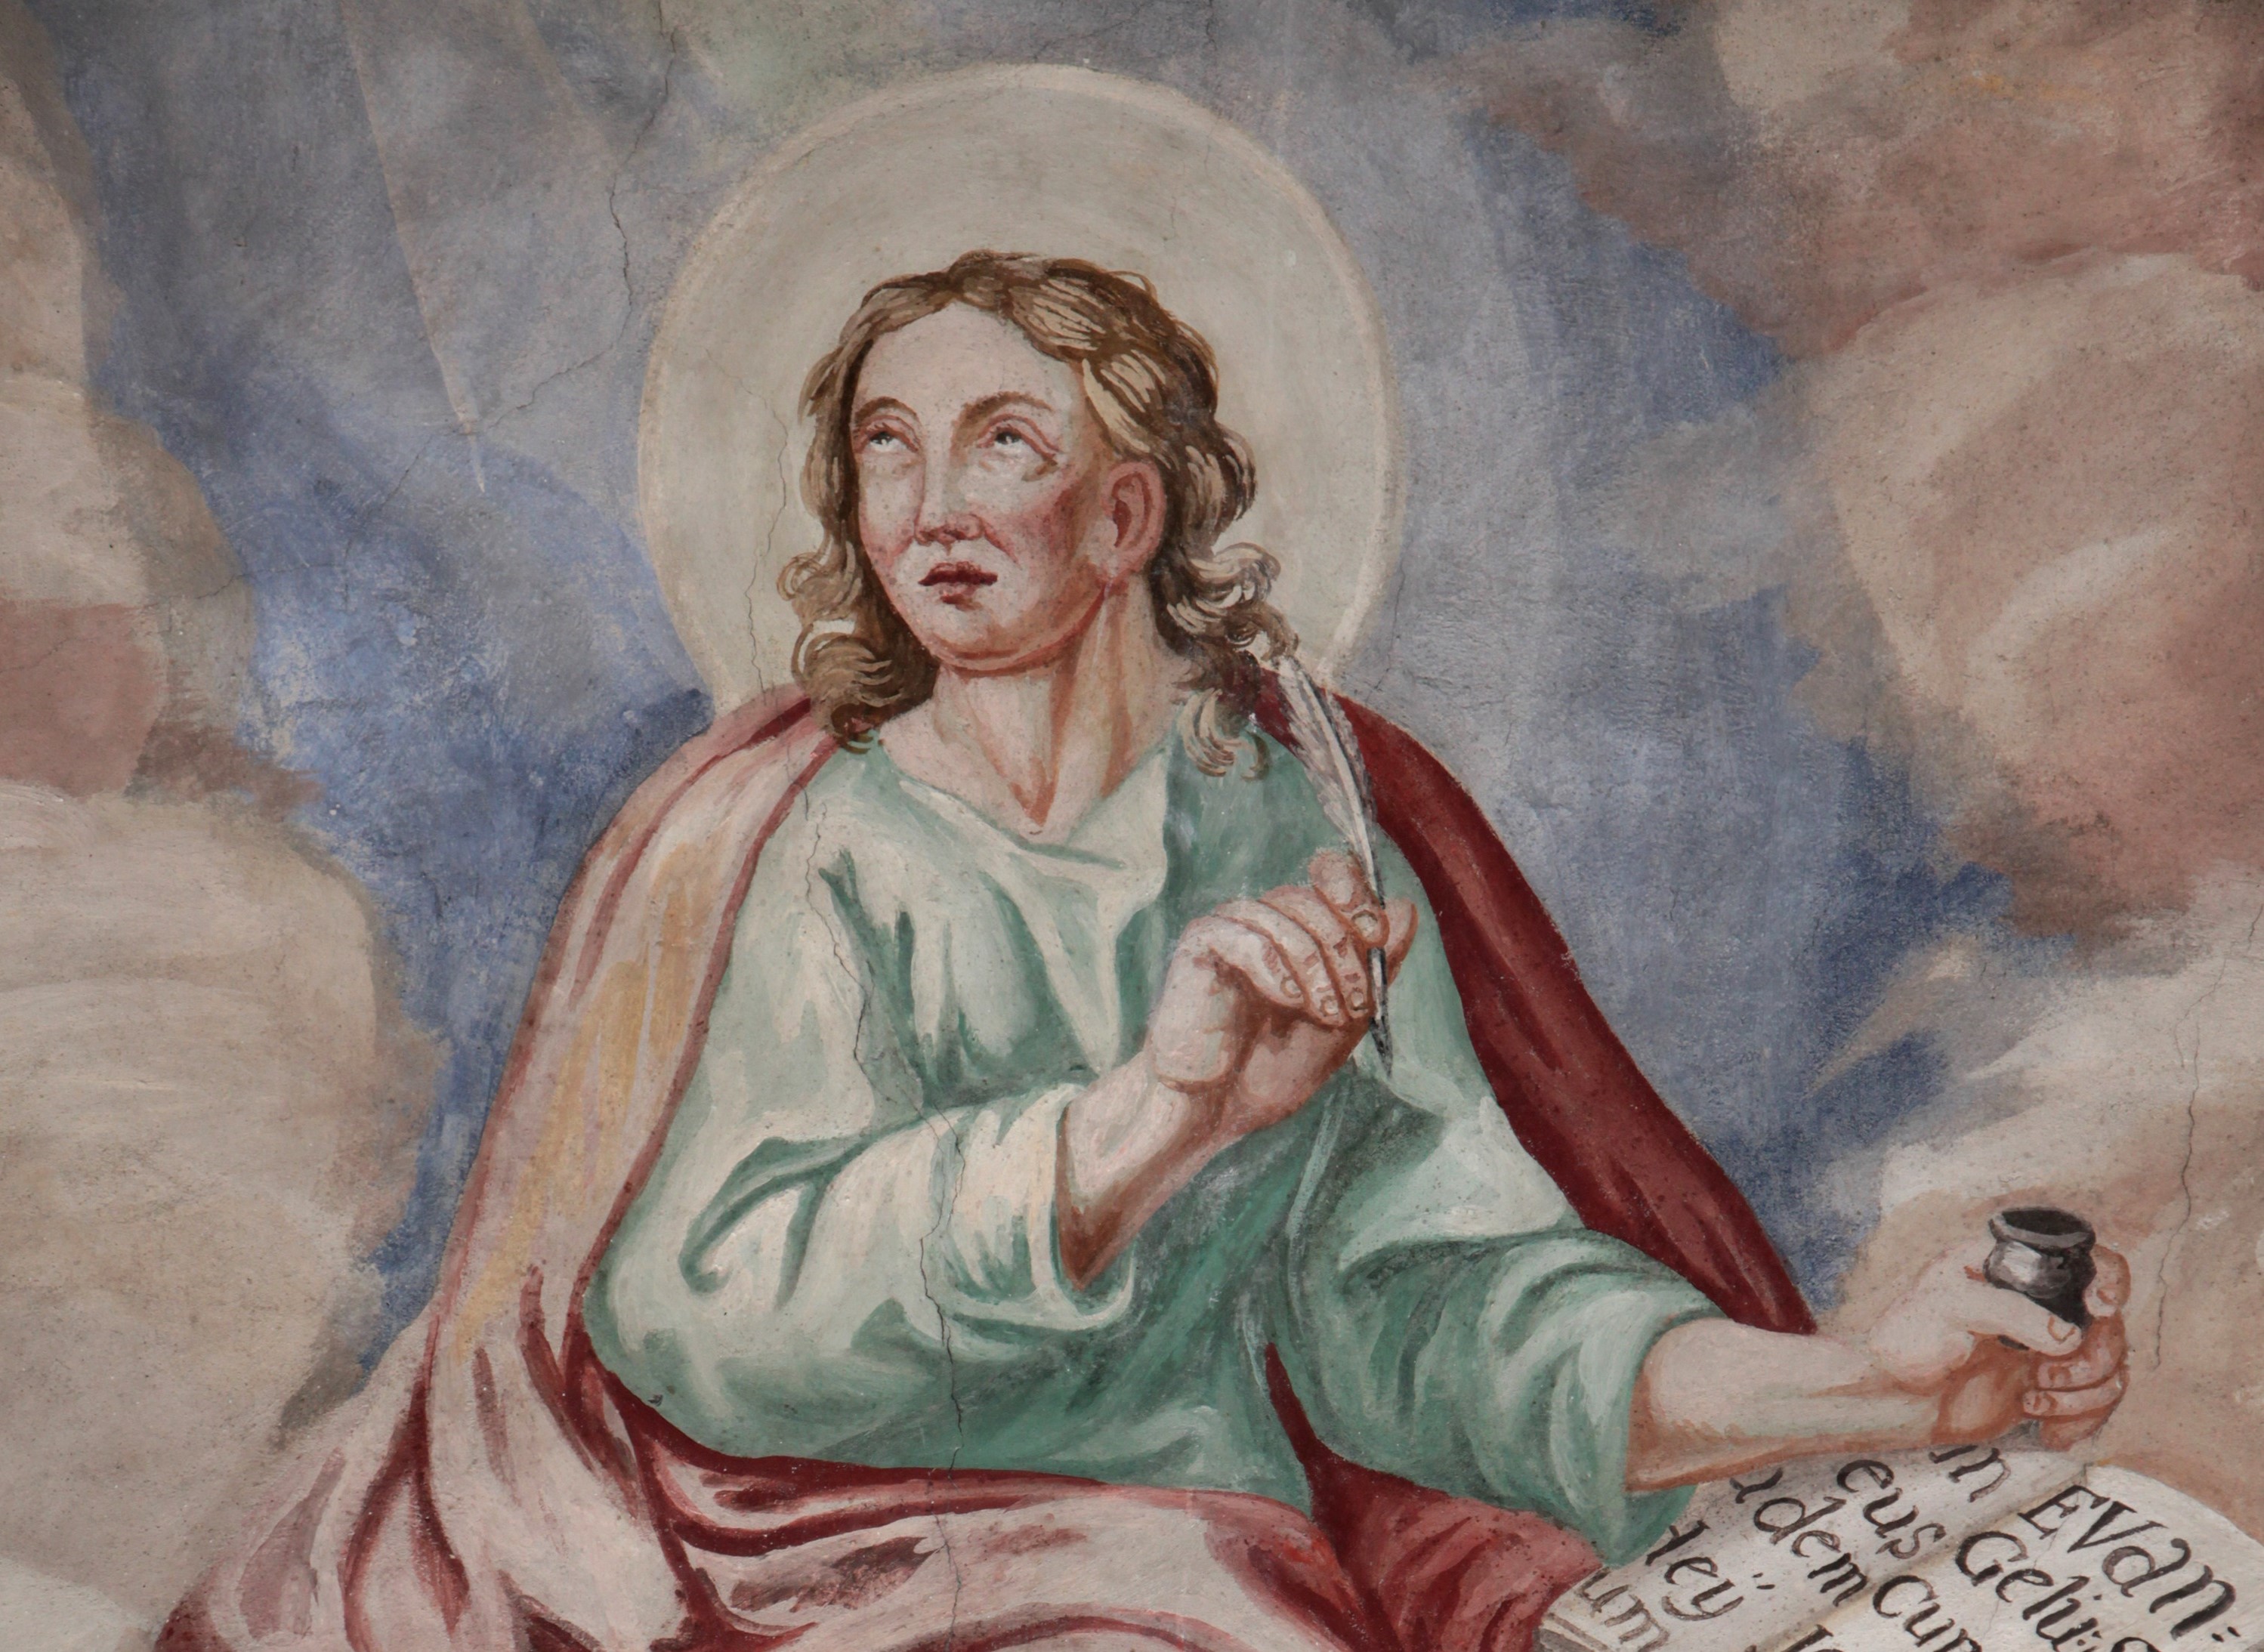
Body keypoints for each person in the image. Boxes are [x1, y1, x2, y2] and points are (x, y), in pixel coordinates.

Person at [162, 252, 2129, 1652]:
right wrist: (1143, 1124)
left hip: (1188, 1548)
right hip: (795, 1555)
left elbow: (1428, 1306)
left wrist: (1868, 1389)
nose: (929, 504)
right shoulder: (800, 839)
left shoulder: (1311, 828)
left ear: (1126, 511)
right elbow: (704, 1315)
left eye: (1000, 441)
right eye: (886, 446)